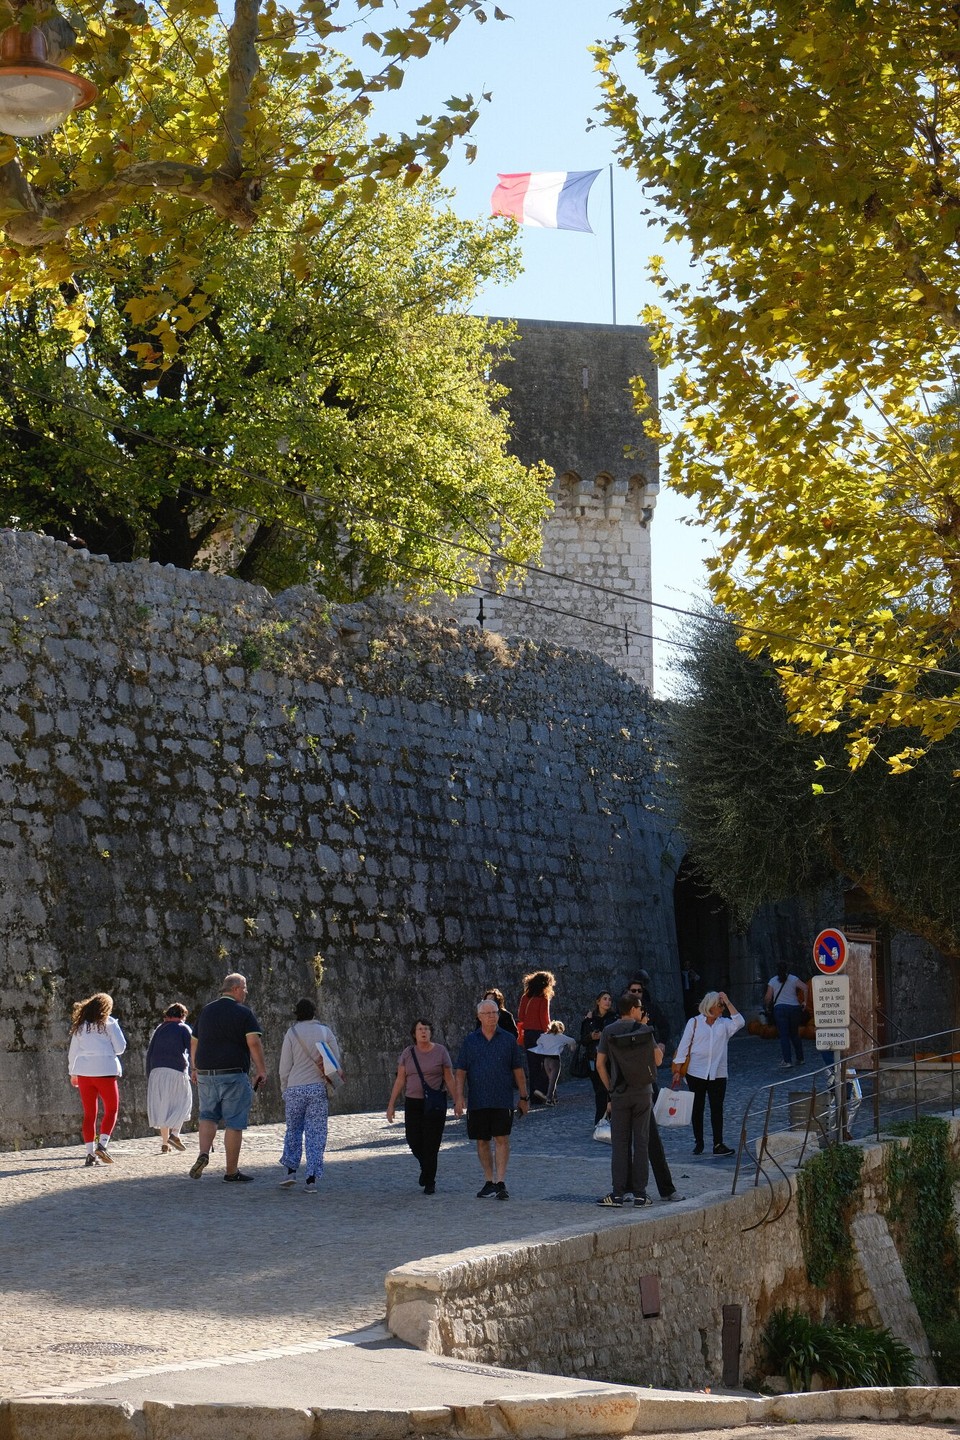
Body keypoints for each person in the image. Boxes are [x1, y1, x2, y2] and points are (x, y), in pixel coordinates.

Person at [188, 972, 266, 1183]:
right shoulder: (244, 1013)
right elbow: (253, 1043)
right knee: (234, 1122)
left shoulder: (206, 1011)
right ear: (236, 989)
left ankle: (204, 1153)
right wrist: (261, 1070)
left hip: (205, 1073)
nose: (246, 993)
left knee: (207, 1115)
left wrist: (194, 1068)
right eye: (245, 988)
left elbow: (194, 1042)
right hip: (232, 1073)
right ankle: (231, 1171)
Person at [455, 998, 528, 1201]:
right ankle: (489, 1181)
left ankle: (501, 1181)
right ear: (479, 1017)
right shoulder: (470, 1041)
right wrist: (459, 1097)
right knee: (482, 1140)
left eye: (495, 1013)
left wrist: (524, 1096)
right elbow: (460, 1071)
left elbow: (518, 1070)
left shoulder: (507, 1040)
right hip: (478, 1100)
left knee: (502, 1138)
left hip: (502, 1098)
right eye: (487, 1014)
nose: (491, 1017)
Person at [595, 991, 661, 1207]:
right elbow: (658, 1060)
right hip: (643, 1093)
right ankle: (641, 1194)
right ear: (633, 1009)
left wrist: (611, 1088)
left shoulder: (608, 1031)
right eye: (640, 1007)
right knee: (641, 1144)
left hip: (620, 1094)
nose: (641, 1011)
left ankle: (617, 1194)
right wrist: (658, 1047)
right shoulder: (644, 1030)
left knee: (620, 1145)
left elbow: (599, 1064)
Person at [277, 998, 342, 1193]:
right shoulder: (325, 1031)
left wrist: (284, 1089)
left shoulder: (292, 1032)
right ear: (314, 1012)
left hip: (295, 1088)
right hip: (316, 1088)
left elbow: (284, 1066)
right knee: (316, 1133)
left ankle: (290, 1171)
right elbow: (335, 1061)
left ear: (297, 1013)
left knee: (293, 1130)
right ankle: (311, 1179)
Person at [386, 1019, 455, 1194]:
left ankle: (430, 1180)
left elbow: (449, 1077)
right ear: (414, 1034)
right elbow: (400, 1079)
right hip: (413, 1102)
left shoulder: (440, 1051)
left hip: (434, 1103)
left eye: (426, 1029)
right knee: (413, 1139)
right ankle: (426, 1168)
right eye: (420, 1029)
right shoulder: (408, 1053)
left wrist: (458, 1099)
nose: (423, 1032)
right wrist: (391, 1104)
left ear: (431, 1032)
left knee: (432, 1142)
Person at [673, 990, 745, 1157]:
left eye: (722, 1006)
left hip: (718, 1073)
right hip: (695, 1072)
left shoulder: (725, 1024)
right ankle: (699, 1142)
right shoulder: (694, 1022)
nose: (722, 1009)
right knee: (697, 1108)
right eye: (720, 1005)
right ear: (711, 1006)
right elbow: (684, 1045)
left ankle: (718, 1144)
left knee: (716, 1108)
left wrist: (727, 1000)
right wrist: (678, 1070)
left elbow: (740, 1021)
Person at [68, 992, 127, 1167]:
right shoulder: (110, 1023)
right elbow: (121, 1048)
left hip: (84, 1073)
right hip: (105, 1071)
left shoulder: (80, 1027)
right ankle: (103, 1144)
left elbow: (73, 1052)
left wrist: (73, 1073)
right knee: (111, 1109)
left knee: (89, 1114)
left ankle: (89, 1154)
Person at [145, 1003, 192, 1153]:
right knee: (183, 1102)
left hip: (156, 1071)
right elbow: (193, 1049)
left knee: (163, 1106)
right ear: (182, 1016)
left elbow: (150, 1052)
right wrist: (197, 1068)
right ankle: (175, 1135)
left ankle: (165, 1143)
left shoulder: (159, 1029)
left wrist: (150, 1075)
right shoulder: (183, 1028)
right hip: (176, 1070)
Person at [517, 970, 555, 1103]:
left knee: (532, 1066)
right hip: (541, 1034)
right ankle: (544, 1094)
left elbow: (521, 1016)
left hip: (528, 1034)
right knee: (545, 1065)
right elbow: (545, 1019)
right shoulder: (543, 998)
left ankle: (533, 1096)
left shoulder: (525, 997)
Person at [580, 991, 618, 1125]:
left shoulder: (614, 1018)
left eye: (609, 999)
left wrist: (604, 1035)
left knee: (610, 1088)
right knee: (599, 1090)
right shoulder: (590, 1019)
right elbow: (583, 1040)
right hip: (593, 1058)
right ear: (598, 1001)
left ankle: (611, 1118)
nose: (607, 1001)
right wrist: (591, 1036)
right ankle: (600, 1119)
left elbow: (617, 1037)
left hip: (610, 1058)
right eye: (604, 999)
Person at [764, 964, 808, 1068]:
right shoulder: (793, 979)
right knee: (795, 1034)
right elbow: (805, 988)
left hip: (780, 1009)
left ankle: (787, 1061)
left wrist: (767, 1006)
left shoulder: (773, 981)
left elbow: (768, 997)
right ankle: (800, 1058)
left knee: (784, 1035)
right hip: (794, 1008)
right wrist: (805, 1002)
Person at [530, 1020, 576, 1104]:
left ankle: (555, 1098)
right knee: (553, 1080)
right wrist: (572, 1048)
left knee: (551, 1079)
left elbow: (538, 1042)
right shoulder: (560, 1036)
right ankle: (548, 1098)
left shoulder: (544, 1036)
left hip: (546, 1060)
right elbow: (572, 1041)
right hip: (555, 1060)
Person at [627, 975, 672, 1059]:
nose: (637, 993)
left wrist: (662, 1042)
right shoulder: (623, 1008)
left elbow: (664, 1025)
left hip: (647, 1047)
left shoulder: (651, 1008)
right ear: (629, 992)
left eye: (639, 991)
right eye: (633, 990)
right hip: (629, 1049)